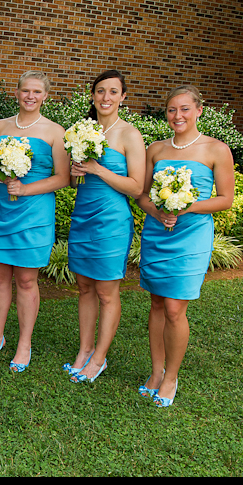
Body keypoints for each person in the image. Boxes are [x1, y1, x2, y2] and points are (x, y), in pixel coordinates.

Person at [136, 85, 234, 407]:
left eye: (185, 109)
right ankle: (155, 370)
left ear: (199, 110)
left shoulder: (216, 150)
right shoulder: (156, 149)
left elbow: (225, 200)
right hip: (157, 233)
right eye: (171, 110)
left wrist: (186, 207)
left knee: (176, 308)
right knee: (157, 304)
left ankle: (171, 377)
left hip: (192, 237)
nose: (177, 116)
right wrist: (158, 211)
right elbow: (142, 194)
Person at [0, 72, 70, 371]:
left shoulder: (56, 131)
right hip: (0, 210)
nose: (30, 96)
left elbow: (63, 177)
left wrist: (26, 188)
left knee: (27, 280)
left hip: (35, 214)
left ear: (45, 96)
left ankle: (24, 343)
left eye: (37, 92)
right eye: (25, 90)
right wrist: (2, 175)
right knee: (0, 277)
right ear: (16, 93)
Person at [65, 70, 145, 382]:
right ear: (93, 96)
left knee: (107, 291)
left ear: (123, 97)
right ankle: (84, 350)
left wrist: (98, 169)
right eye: (100, 91)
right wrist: (77, 169)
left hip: (111, 220)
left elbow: (136, 187)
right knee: (84, 286)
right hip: (83, 215)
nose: (106, 97)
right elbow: (75, 182)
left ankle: (99, 358)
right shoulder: (81, 131)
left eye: (113, 92)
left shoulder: (129, 135)